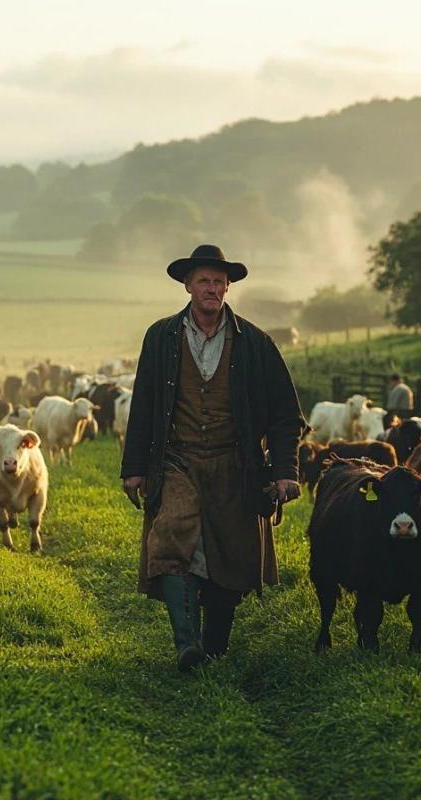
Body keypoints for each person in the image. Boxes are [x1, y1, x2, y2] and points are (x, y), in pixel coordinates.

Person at [120, 244, 305, 672]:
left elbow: (285, 414)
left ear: (228, 287)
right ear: (187, 285)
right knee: (171, 540)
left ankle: (214, 648)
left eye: (219, 282)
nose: (212, 288)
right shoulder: (161, 337)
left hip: (235, 465)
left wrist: (285, 471)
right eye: (203, 280)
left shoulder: (255, 343)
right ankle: (187, 645)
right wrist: (133, 469)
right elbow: (144, 405)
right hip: (176, 460)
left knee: (230, 554)